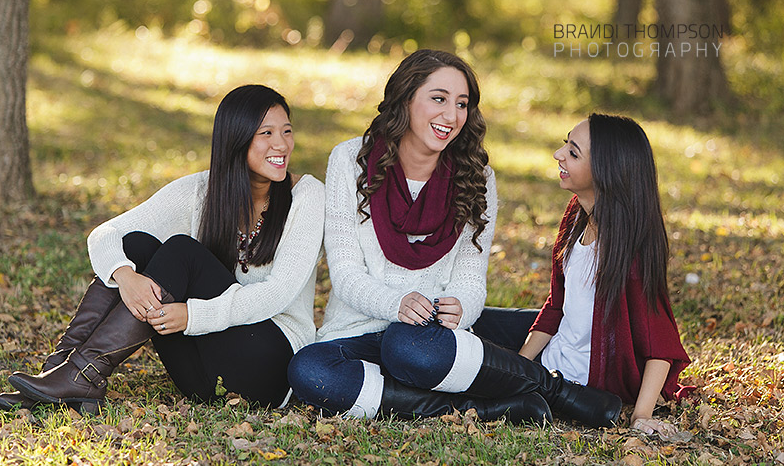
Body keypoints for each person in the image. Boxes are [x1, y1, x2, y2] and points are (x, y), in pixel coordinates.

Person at [290, 49, 619, 426]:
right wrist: (396, 303)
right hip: (360, 332)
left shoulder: (476, 177)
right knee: (310, 369)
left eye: (462, 104)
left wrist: (462, 305)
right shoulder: (350, 160)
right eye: (439, 99)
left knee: (414, 345)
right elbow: (346, 272)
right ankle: (483, 407)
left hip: (437, 337)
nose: (452, 116)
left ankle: (556, 391)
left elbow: (470, 278)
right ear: (405, 97)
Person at [0, 85, 324, 413]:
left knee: (182, 251)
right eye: (266, 133)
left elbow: (277, 294)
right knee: (136, 245)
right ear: (235, 138)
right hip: (201, 374)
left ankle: (80, 374)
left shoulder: (307, 197)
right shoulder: (202, 191)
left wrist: (193, 315)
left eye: (286, 131)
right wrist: (125, 276)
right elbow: (106, 233)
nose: (281, 144)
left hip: (270, 371)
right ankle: (60, 372)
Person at [472, 113, 691, 435]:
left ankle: (534, 394)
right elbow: (556, 307)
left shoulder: (627, 248)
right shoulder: (576, 214)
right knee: (471, 321)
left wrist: (641, 415)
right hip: (554, 347)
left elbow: (661, 346)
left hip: (582, 377)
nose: (558, 155)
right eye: (565, 145)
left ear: (605, 172)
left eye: (573, 153)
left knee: (468, 359)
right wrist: (519, 367)